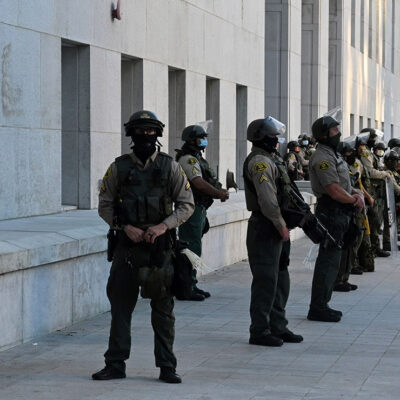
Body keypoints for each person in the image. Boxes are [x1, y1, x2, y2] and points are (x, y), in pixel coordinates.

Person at [92, 110, 194, 383]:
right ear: (131, 135)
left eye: (151, 131)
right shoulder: (118, 167)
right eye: (141, 131)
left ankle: (166, 367)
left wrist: (163, 226)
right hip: (127, 249)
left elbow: (186, 204)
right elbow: (104, 204)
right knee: (121, 309)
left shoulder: (170, 166)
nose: (146, 136)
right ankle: (115, 364)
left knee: (163, 312)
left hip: (159, 250)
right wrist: (124, 227)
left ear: (158, 134)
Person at [244, 116, 303, 347]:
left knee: (280, 278)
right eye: (273, 137)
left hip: (276, 226)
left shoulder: (272, 158)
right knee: (266, 280)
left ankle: (278, 325)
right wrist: (280, 225)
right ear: (262, 138)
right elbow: (267, 199)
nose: (277, 141)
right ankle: (259, 329)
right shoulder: (260, 161)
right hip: (266, 226)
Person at [307, 116, 364, 323]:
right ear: (324, 135)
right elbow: (333, 190)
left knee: (334, 260)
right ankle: (318, 307)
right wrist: (353, 200)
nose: (338, 132)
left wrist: (356, 194)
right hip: (331, 212)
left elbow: (344, 185)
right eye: (334, 130)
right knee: (328, 260)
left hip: (341, 211)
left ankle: (323, 303)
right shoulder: (322, 157)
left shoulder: (333, 154)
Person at [175, 125, 229, 301]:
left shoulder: (196, 158)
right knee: (190, 248)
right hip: (191, 207)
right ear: (192, 140)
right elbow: (198, 183)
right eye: (201, 138)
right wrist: (219, 193)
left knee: (194, 248)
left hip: (198, 207)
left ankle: (191, 283)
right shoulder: (188, 159)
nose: (204, 141)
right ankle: (185, 287)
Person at [359, 129, 392, 257]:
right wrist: (385, 174)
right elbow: (370, 172)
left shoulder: (368, 152)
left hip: (374, 191)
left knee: (376, 222)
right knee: (374, 221)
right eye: (372, 138)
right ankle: (372, 249)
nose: (374, 140)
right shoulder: (365, 153)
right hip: (370, 191)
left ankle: (375, 247)